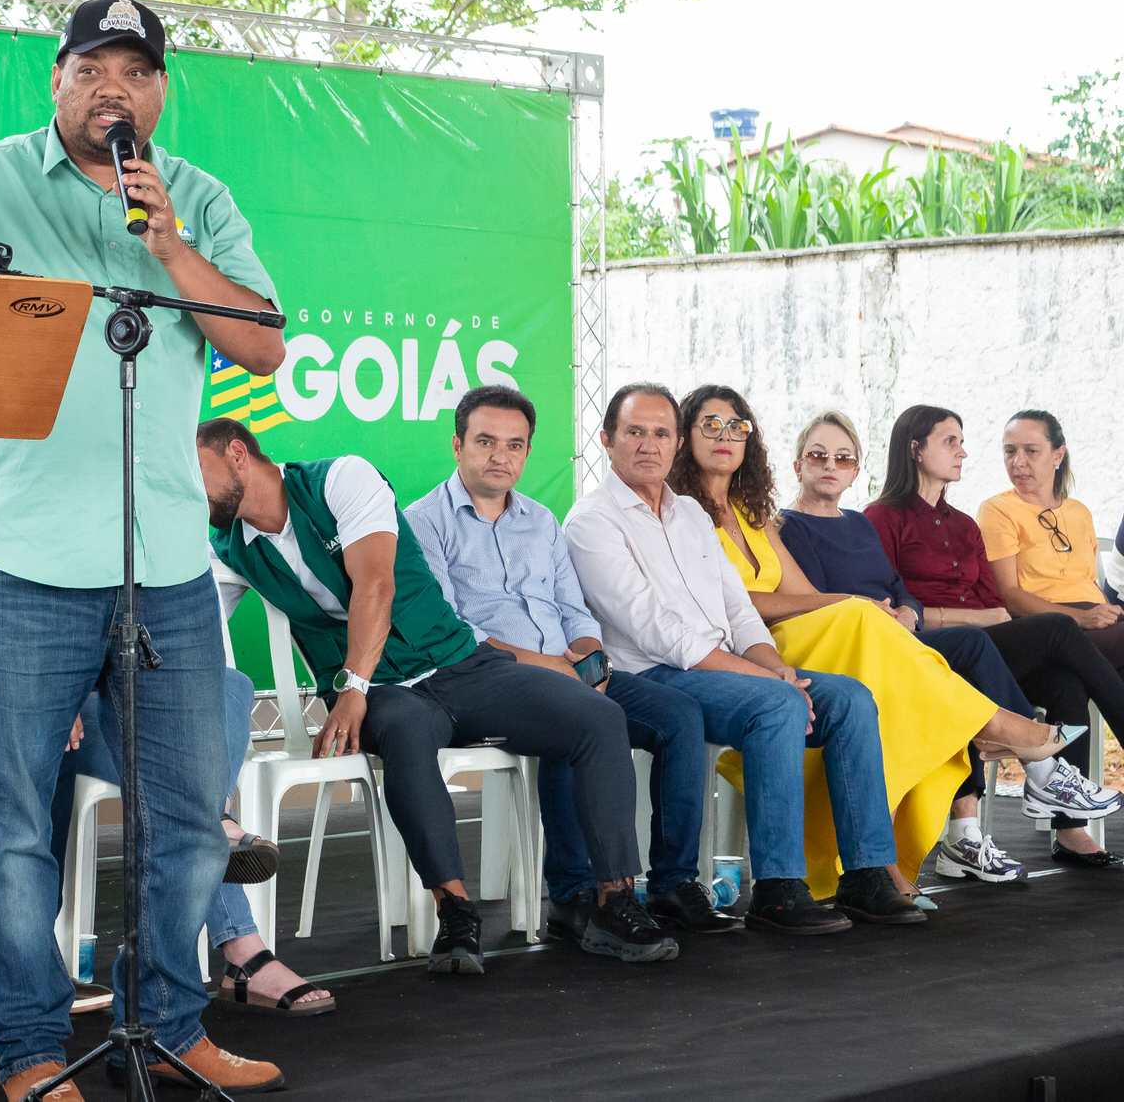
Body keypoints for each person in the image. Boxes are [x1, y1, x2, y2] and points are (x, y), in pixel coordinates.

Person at [0, 0, 285, 1100]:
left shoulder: (196, 199)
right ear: (56, 80)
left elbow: (260, 348)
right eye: (91, 69)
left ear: (159, 91)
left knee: (190, 823)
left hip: (166, 564)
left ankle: (170, 1024)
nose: (111, 91)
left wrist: (168, 243)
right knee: (11, 829)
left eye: (133, 73)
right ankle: (32, 1050)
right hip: (20, 562)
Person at [198, 419, 674, 972]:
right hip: (381, 692)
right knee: (405, 731)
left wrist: (351, 688)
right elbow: (203, 636)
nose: (185, 486)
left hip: (456, 663)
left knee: (598, 717)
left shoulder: (340, 479)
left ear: (237, 454)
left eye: (194, 470)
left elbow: (377, 584)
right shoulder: (223, 545)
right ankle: (456, 913)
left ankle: (613, 902)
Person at [665, 385, 1077, 911]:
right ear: (685, 436)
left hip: (789, 635)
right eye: (710, 424)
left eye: (736, 426)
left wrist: (867, 606)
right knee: (866, 620)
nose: (725, 436)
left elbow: (802, 596)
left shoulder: (753, 514)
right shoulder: (679, 513)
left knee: (892, 693)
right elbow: (727, 603)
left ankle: (886, 861)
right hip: (739, 649)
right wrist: (854, 602)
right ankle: (992, 726)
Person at [566, 382, 906, 935]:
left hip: (723, 667)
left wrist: (776, 666)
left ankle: (866, 874)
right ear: (606, 439)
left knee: (849, 698)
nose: (649, 445)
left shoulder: (692, 515)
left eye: (661, 433)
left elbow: (740, 611)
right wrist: (769, 682)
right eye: (634, 432)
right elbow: (658, 632)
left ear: (677, 443)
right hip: (652, 675)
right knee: (776, 705)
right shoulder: (591, 521)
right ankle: (777, 888)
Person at [406, 384, 742, 941]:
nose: (500, 456)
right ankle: (576, 894)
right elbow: (452, 631)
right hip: (487, 680)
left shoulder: (541, 520)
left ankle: (674, 881)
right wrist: (550, 667)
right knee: (577, 717)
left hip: (570, 669)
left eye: (515, 445)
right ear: (457, 445)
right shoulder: (424, 523)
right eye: (485, 441)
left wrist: (589, 655)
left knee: (679, 715)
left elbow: (572, 607)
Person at [776, 409, 1069, 884]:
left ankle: (983, 815)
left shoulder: (859, 522)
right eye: (818, 455)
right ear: (797, 466)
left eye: (843, 458)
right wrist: (876, 613)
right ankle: (1034, 762)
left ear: (855, 470)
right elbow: (814, 600)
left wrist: (908, 614)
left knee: (980, 655)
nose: (830, 465)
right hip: (848, 644)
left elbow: (900, 588)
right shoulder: (789, 526)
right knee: (970, 648)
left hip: (896, 636)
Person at [867, 405, 1124, 871]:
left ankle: (1064, 819)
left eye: (962, 442)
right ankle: (1042, 775)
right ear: (915, 449)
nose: (964, 452)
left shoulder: (964, 524)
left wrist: (981, 617)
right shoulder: (882, 517)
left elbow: (996, 606)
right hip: (928, 650)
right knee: (1056, 629)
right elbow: (890, 606)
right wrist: (956, 617)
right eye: (951, 442)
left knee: (1067, 685)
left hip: (987, 641)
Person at [54, 667, 330, 1015]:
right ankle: (243, 951)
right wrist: (54, 694)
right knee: (183, 778)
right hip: (66, 708)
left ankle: (214, 816)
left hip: (133, 696)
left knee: (230, 684)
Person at [981, 410, 1124, 662]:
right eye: (1010, 451)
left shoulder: (1079, 512)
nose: (1018, 462)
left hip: (1095, 618)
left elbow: (1088, 581)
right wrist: (1081, 618)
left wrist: (1109, 612)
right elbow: (1009, 595)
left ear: (1058, 454)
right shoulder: (996, 510)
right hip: (1046, 624)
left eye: (1031, 451)